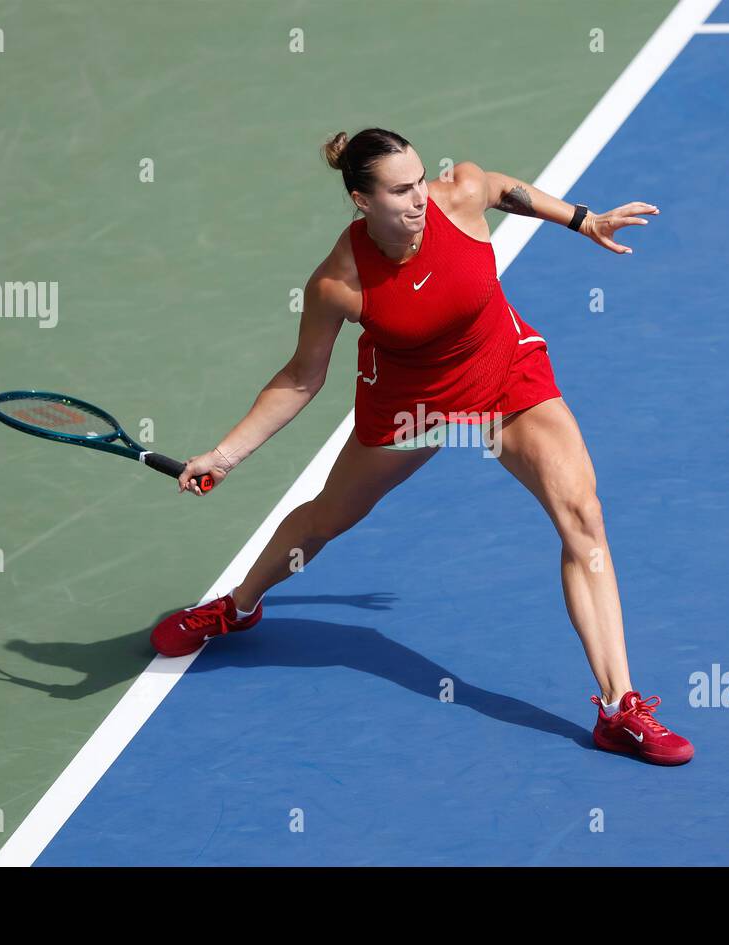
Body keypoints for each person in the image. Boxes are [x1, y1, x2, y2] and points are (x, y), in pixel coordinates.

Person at [151, 128, 692, 766]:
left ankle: (618, 707)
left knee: (583, 518)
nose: (419, 199)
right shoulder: (339, 284)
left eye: (419, 181)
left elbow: (504, 190)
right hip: (414, 406)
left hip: (504, 372)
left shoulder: (456, 195)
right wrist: (224, 455)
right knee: (329, 517)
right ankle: (236, 608)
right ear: (361, 200)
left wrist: (582, 219)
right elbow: (303, 377)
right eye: (401, 190)